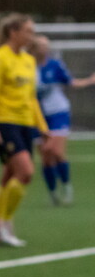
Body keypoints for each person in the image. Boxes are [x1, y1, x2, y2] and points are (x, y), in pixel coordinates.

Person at [0, 13, 49, 248]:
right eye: (28, 31)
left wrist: (42, 126)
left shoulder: (28, 61)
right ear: (14, 32)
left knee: (9, 175)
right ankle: (5, 224)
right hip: (5, 122)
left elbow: (30, 98)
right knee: (26, 172)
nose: (31, 36)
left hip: (24, 124)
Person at [30, 35, 95, 205]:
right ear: (34, 48)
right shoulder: (26, 66)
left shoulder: (55, 65)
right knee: (45, 156)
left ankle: (66, 186)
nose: (46, 48)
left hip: (58, 112)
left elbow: (70, 82)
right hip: (36, 115)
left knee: (56, 151)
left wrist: (89, 80)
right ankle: (52, 193)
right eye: (42, 46)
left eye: (47, 45)